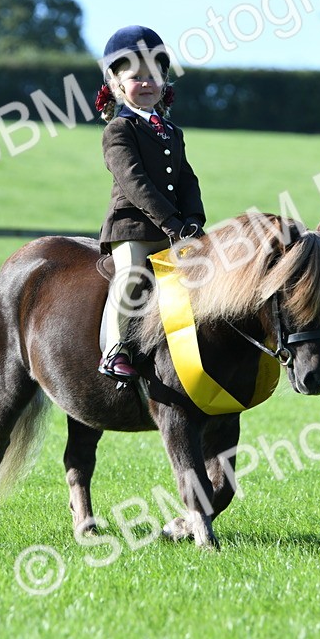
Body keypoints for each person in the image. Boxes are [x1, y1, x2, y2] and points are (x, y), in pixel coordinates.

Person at [96, 25, 206, 380]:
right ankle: (115, 349)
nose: (146, 83)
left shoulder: (172, 131)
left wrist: (193, 218)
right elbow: (134, 182)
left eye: (153, 76)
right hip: (133, 227)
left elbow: (187, 178)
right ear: (116, 85)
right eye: (136, 77)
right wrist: (171, 221)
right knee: (131, 275)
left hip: (175, 225)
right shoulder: (118, 129)